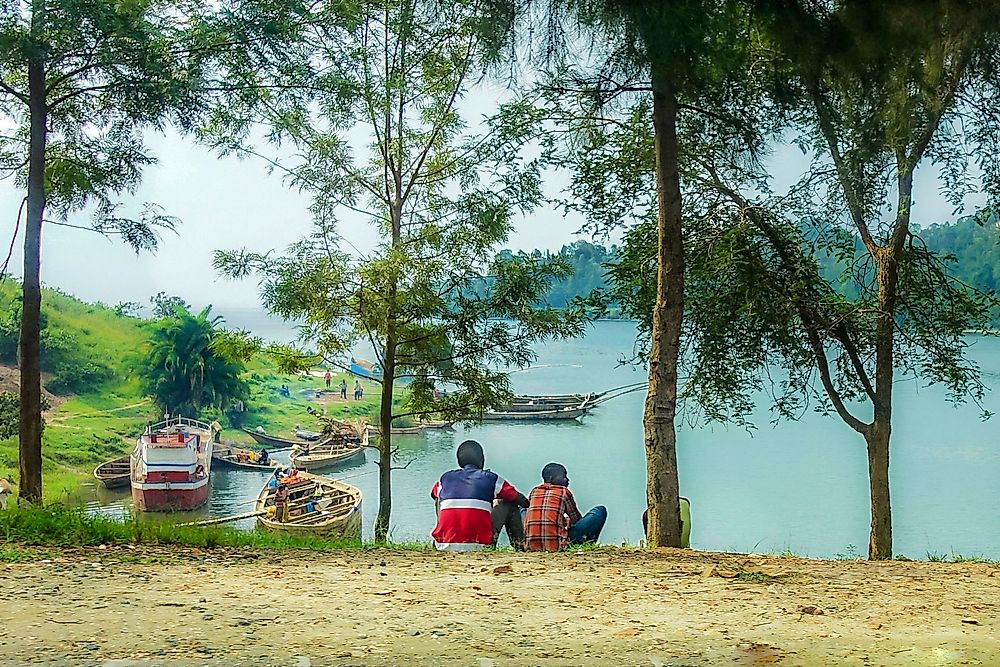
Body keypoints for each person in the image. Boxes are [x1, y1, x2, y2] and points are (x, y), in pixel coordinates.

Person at [430, 440, 528, 551]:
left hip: (443, 546)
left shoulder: (445, 478)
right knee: (508, 501)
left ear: (459, 461)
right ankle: (520, 546)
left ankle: (444, 533)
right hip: (480, 546)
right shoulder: (492, 479)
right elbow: (521, 500)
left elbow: (433, 494)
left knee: (439, 497)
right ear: (482, 460)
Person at [524, 462, 607, 551]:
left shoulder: (534, 491)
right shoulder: (564, 491)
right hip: (557, 545)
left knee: (522, 509)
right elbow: (576, 519)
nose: (567, 480)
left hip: (531, 546)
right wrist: (568, 522)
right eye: (564, 476)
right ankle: (587, 545)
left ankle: (523, 541)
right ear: (551, 478)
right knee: (600, 510)